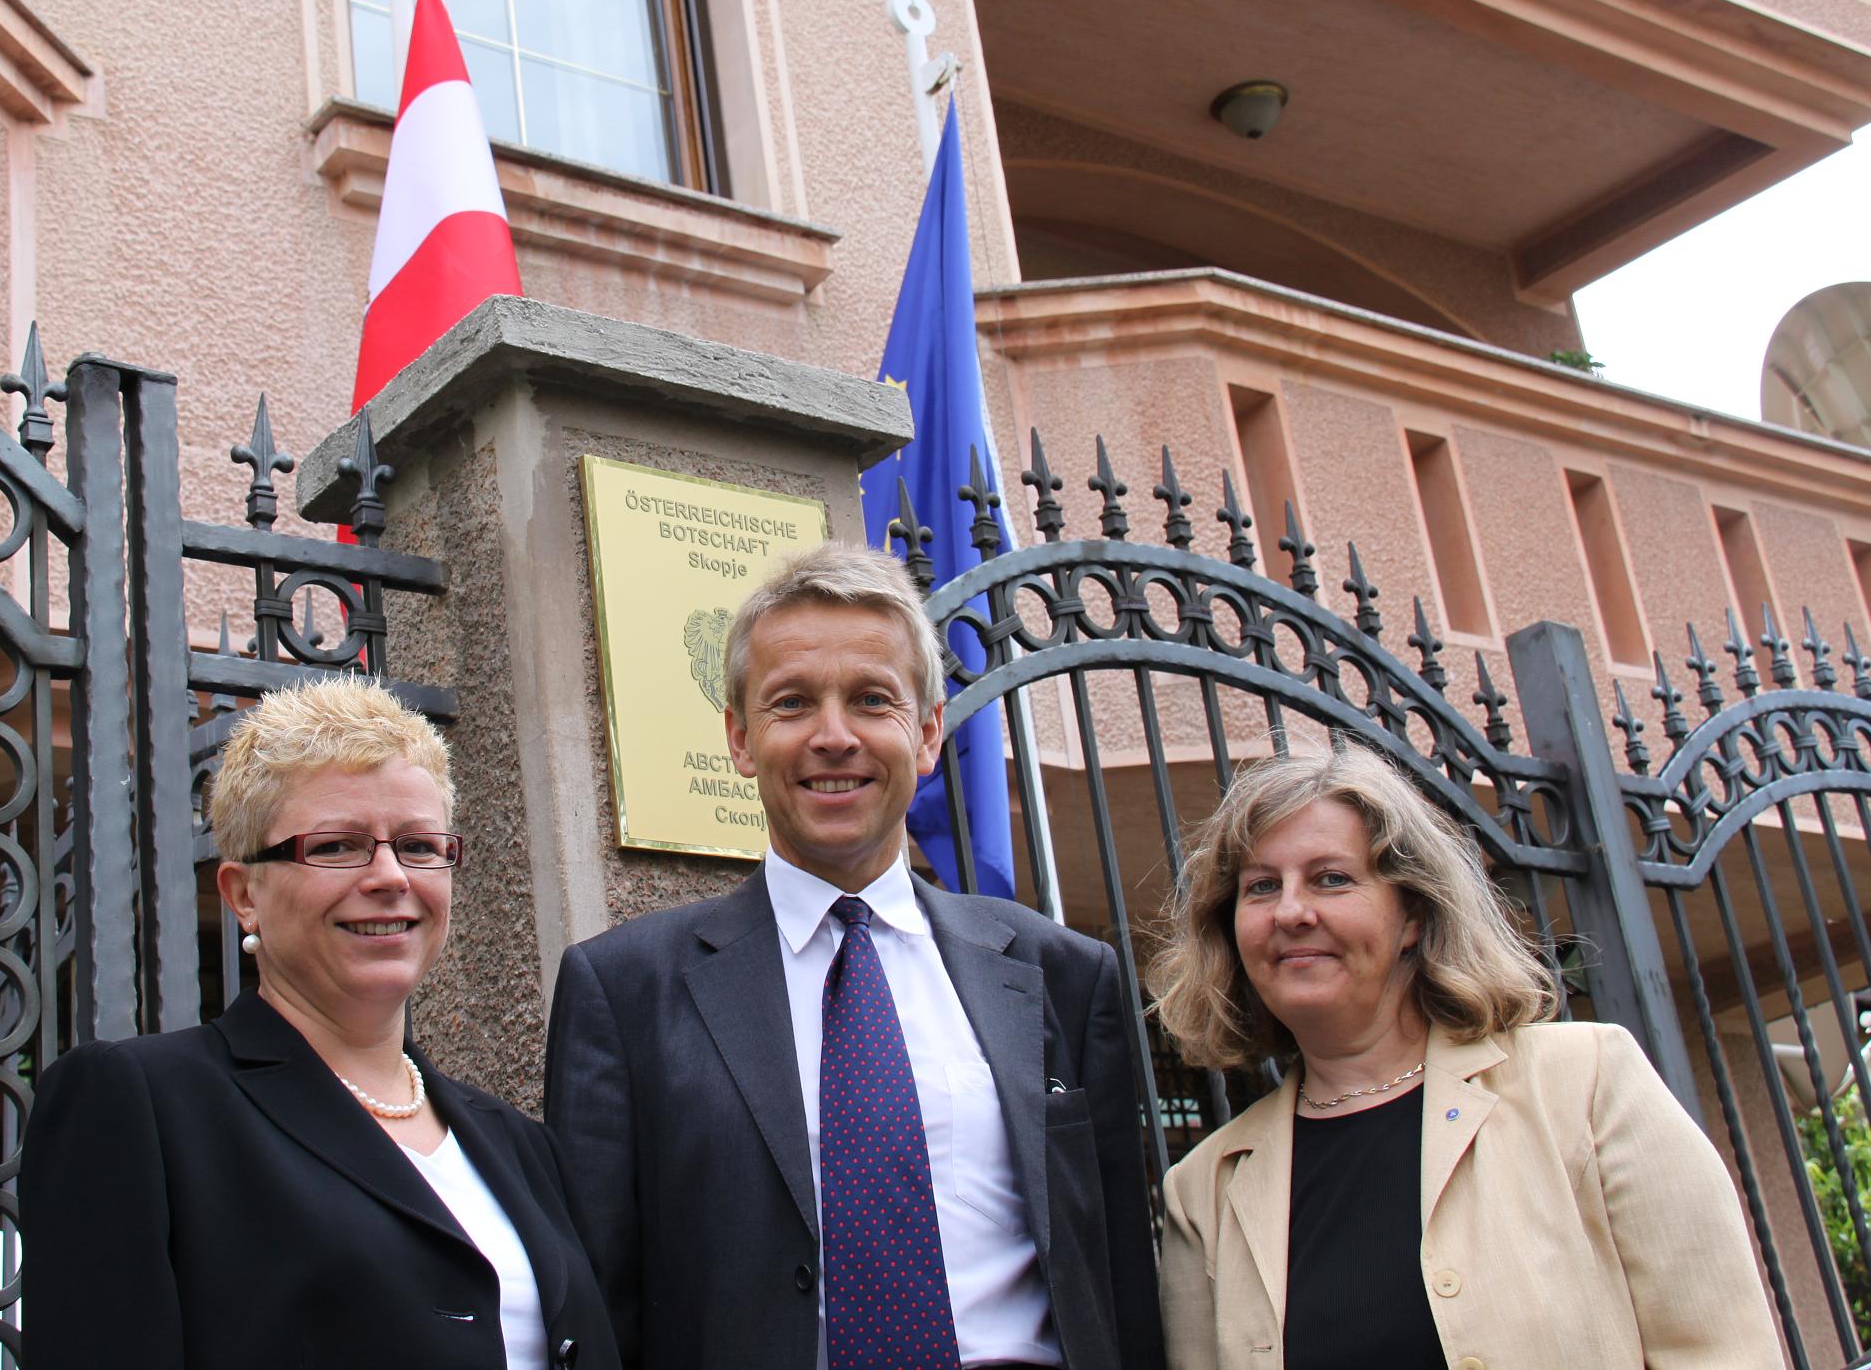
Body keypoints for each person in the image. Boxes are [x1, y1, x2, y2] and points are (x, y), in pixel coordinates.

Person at [544, 542, 1164, 1370]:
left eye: (872, 700)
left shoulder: (1065, 975)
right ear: (738, 738)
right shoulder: (623, 994)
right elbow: (596, 1303)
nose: (834, 737)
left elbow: (1121, 1273)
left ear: (929, 731)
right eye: (792, 703)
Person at [22, 678, 617, 1370]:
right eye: (337, 846)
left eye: (420, 846)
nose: (391, 875)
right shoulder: (141, 1105)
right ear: (244, 895)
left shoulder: (520, 1145)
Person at [1150, 743, 1781, 1369]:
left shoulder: (1585, 1081)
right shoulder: (1204, 1191)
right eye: (1261, 887)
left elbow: (1723, 1351)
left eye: (1331, 878)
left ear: (1414, 915)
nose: (1290, 911)